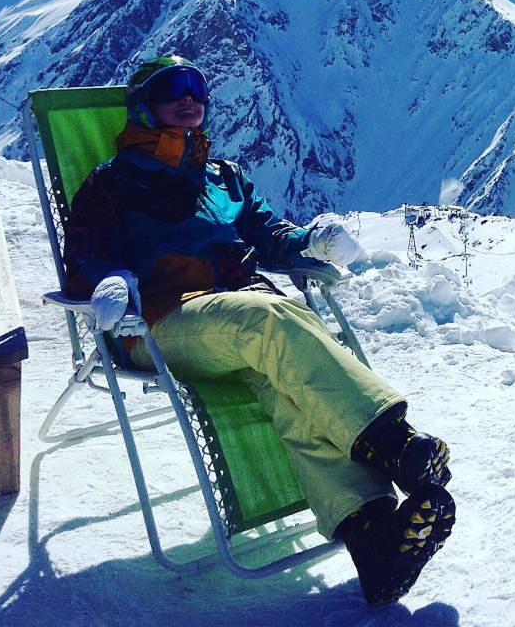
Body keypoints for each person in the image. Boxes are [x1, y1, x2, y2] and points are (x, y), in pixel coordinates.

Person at [63, 55, 454, 605]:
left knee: (291, 389)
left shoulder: (223, 177)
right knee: (271, 319)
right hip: (159, 323)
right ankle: (394, 445)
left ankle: (374, 541)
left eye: (197, 87)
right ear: (142, 105)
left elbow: (269, 236)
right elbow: (80, 252)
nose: (189, 96)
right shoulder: (114, 182)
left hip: (239, 324)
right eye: (172, 87)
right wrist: (109, 281)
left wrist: (311, 242)